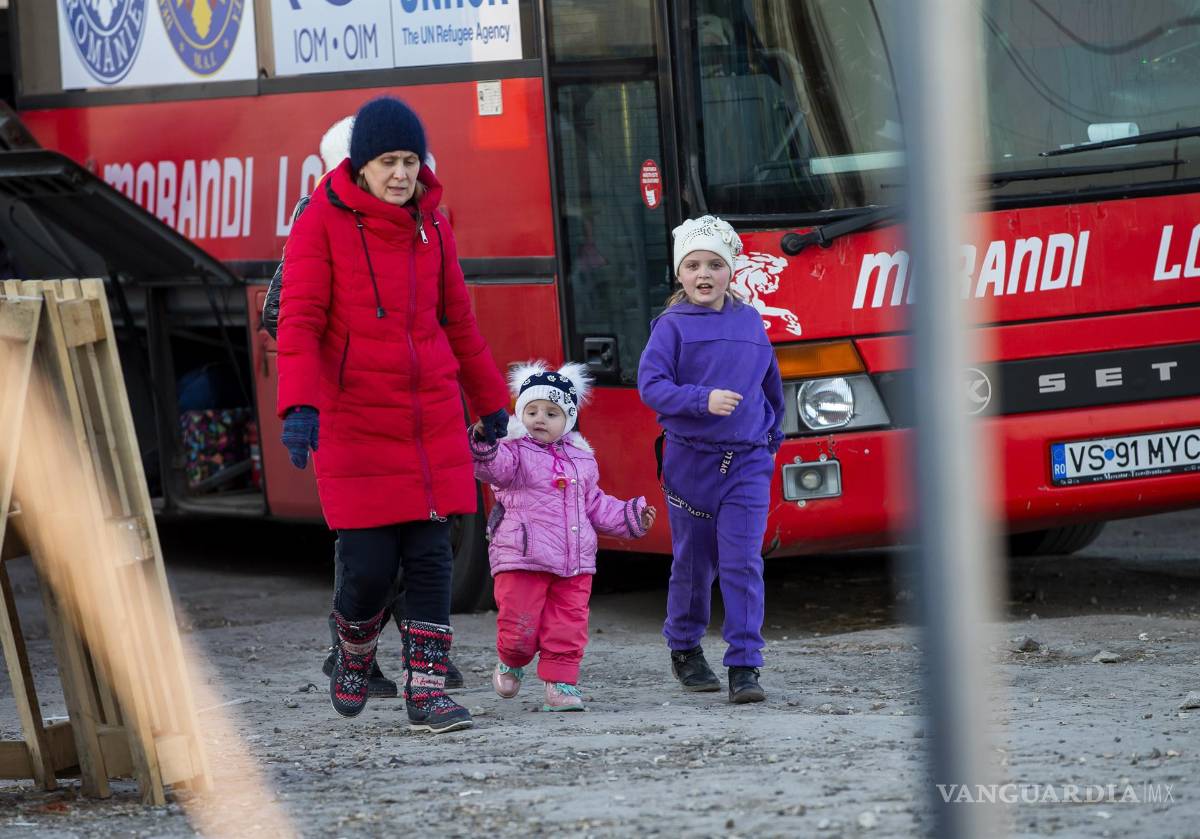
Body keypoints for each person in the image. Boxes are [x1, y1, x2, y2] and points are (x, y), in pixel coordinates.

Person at [276, 97, 510, 733]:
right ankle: (353, 649)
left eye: (410, 161)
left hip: (428, 416)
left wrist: (490, 400)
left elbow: (458, 321)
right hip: (355, 419)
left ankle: (427, 693)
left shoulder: (433, 227)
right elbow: (299, 321)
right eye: (388, 162)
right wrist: (300, 403)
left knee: (433, 560)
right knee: (371, 568)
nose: (402, 174)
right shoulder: (320, 222)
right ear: (362, 165)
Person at [636, 215, 784, 704]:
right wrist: (702, 400)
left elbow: (771, 386)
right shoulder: (670, 328)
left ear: (731, 271)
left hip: (746, 463)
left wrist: (770, 439)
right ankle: (684, 647)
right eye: (694, 264)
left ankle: (745, 665)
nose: (704, 274)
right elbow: (651, 387)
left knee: (743, 563)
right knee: (694, 565)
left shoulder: (749, 322)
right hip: (689, 464)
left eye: (715, 265)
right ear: (679, 273)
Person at [468, 361, 656, 711]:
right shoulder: (513, 453)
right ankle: (511, 658)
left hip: (574, 563)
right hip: (523, 557)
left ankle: (561, 684)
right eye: (532, 410)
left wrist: (632, 516)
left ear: (567, 420)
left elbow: (596, 505)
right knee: (519, 626)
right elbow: (490, 468)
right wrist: (483, 440)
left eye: (552, 413)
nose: (540, 418)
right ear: (520, 414)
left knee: (567, 626)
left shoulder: (581, 460)